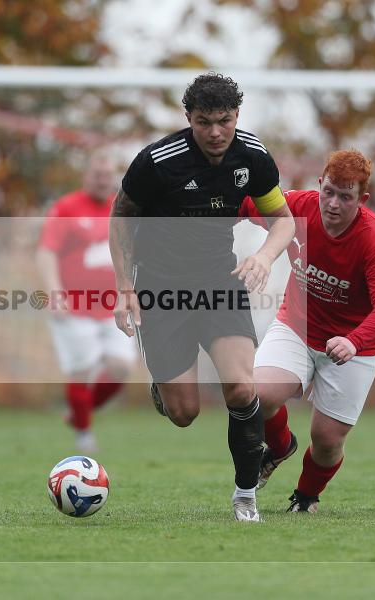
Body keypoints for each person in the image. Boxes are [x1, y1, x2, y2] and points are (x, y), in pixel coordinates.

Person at [109, 73, 295, 522]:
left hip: (219, 281)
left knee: (240, 386)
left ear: (237, 117)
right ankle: (165, 387)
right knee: (184, 413)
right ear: (188, 118)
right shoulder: (156, 162)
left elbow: (284, 221)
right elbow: (120, 221)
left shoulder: (253, 156)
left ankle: (245, 495)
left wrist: (267, 257)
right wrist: (124, 288)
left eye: (225, 121)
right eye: (204, 122)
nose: (215, 132)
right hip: (161, 288)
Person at [239, 149, 375, 513]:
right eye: (329, 191)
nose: (333, 203)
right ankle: (279, 447)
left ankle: (306, 496)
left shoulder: (372, 239)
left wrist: (354, 340)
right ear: (319, 185)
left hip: (353, 346)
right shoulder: (299, 207)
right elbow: (247, 205)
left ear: (362, 199)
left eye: (345, 197)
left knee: (327, 440)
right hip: (296, 328)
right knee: (255, 396)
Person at [36, 151, 137, 454]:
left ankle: (80, 412)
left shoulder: (121, 209)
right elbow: (46, 252)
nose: (102, 180)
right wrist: (54, 291)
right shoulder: (66, 208)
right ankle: (83, 433)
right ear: (86, 176)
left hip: (111, 306)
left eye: (107, 176)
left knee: (121, 367)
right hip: (75, 307)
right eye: (97, 175)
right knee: (81, 370)